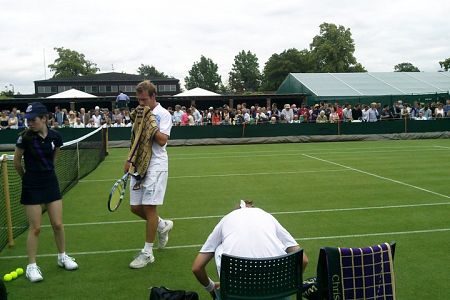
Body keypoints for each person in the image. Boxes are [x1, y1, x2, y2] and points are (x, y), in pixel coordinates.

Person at [13, 102, 78, 283]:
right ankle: (31, 266)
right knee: (36, 228)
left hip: (50, 182)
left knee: (58, 224)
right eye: (28, 120)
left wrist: (49, 169)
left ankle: (62, 256)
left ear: (44, 119)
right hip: (31, 184)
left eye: (33, 120)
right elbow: (17, 162)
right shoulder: (24, 138)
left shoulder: (56, 136)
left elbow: (56, 154)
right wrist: (27, 178)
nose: (29, 123)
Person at [192, 200, 308, 297]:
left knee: (219, 247)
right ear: (251, 207)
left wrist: (212, 287)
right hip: (276, 289)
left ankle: (224, 288)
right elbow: (303, 260)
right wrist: (286, 285)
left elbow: (197, 267)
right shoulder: (266, 215)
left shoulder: (227, 219)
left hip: (236, 291)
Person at [124, 80, 173, 269]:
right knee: (135, 208)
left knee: (149, 208)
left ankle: (147, 253)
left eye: (144, 99)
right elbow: (135, 139)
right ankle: (162, 225)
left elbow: (162, 141)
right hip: (139, 165)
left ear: (153, 97)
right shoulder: (138, 113)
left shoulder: (163, 114)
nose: (141, 103)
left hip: (156, 166)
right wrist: (129, 159)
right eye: (139, 99)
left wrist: (149, 124)